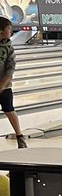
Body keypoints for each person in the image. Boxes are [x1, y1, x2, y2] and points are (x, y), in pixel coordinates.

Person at [0, 17, 27, 148]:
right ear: (1, 30)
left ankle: (19, 136)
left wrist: (3, 84)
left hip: (5, 87)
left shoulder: (9, 49)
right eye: (9, 29)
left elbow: (10, 69)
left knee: (9, 111)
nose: (11, 32)